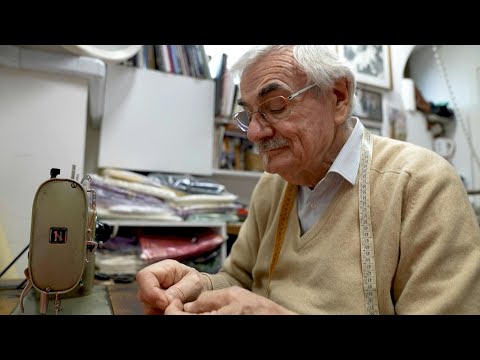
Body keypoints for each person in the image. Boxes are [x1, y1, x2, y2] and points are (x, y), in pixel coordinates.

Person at [136, 45, 480, 315]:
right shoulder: (272, 186)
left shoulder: (421, 185)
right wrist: (196, 284)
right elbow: (239, 279)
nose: (255, 132)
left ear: (339, 98)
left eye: (276, 104)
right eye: (249, 113)